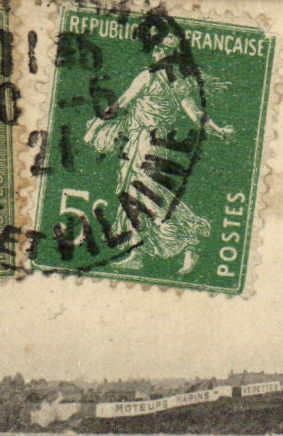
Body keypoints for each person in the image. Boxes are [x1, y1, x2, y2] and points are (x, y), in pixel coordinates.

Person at [84, 33, 234, 275]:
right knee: (139, 193)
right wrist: (219, 131)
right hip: (151, 142)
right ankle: (141, 251)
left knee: (140, 193)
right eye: (156, 50)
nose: (156, 54)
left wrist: (98, 123)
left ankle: (189, 236)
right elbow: (197, 116)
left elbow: (122, 102)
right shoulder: (177, 84)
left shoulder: (149, 77)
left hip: (145, 142)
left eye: (161, 51)